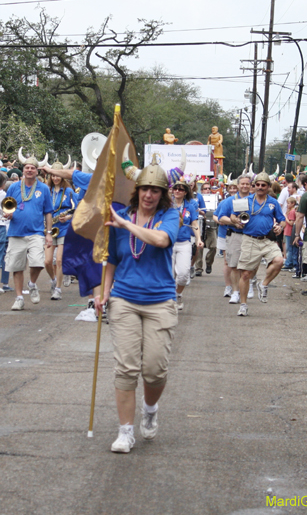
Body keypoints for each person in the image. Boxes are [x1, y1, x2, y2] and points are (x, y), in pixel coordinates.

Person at [96, 156, 180, 453]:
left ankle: (151, 408)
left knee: (155, 370)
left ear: (162, 194)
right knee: (126, 368)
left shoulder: (170, 216)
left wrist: (124, 224)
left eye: (155, 190)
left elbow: (160, 240)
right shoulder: (120, 216)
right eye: (144, 188)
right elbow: (112, 261)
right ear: (137, 189)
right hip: (124, 301)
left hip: (160, 301)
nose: (148, 195)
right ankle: (125, 432)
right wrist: (104, 293)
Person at [228, 172, 285, 316]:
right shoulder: (245, 200)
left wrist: (280, 227)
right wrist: (236, 221)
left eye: (263, 185)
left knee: (279, 261)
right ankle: (243, 305)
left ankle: (263, 284)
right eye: (257, 185)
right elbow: (233, 215)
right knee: (246, 274)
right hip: (249, 239)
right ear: (254, 186)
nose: (260, 187)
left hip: (267, 240)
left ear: (268, 187)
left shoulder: (273, 202)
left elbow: (282, 219)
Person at [3, 157, 54, 311]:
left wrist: (49, 233)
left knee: (38, 263)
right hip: (16, 232)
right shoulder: (13, 187)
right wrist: (7, 214)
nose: (29, 170)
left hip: (36, 232)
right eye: (27, 167)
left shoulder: (44, 188)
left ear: (37, 170)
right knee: (17, 266)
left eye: (32, 167)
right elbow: (7, 206)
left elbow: (48, 212)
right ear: (23, 170)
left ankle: (32, 283)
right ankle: (19, 298)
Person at [216, 175, 252, 305]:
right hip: (235, 235)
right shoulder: (228, 201)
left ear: (250, 185)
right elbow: (221, 218)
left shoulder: (255, 200)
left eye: (247, 184)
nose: (244, 186)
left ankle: (249, 284)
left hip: (251, 235)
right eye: (242, 184)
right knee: (234, 265)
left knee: (250, 265)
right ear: (237, 185)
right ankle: (235, 292)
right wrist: (234, 222)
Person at [44, 162, 76, 300]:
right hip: (50, 228)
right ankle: (53, 279)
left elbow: (78, 208)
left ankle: (58, 288)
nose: (55, 178)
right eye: (53, 175)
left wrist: (68, 216)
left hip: (64, 228)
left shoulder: (69, 191)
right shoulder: (46, 190)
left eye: (58, 175)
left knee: (59, 260)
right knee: (47, 261)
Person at [170, 176, 202, 311]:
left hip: (184, 243)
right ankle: (169, 300)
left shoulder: (190, 206)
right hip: (168, 244)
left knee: (183, 275)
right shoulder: (166, 204)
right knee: (169, 275)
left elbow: (194, 223)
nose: (177, 191)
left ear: (185, 192)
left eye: (180, 189)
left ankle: (178, 295)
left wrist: (199, 239)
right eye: (175, 188)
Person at [194, 181, 218, 275]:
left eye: (209, 188)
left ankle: (209, 263)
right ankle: (198, 268)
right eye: (205, 188)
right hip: (200, 223)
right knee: (199, 246)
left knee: (213, 246)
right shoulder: (198, 197)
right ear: (201, 190)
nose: (207, 190)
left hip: (211, 224)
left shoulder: (214, 198)